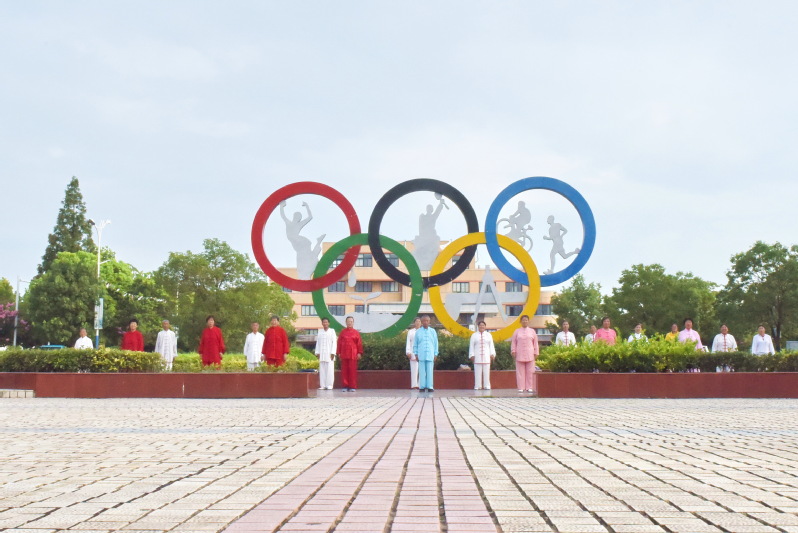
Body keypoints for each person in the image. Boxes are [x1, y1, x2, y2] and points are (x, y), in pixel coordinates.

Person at [510, 314, 538, 393]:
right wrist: (513, 351)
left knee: (530, 371)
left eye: (526, 320)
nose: (525, 321)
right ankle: (521, 387)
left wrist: (536, 352)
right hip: (520, 353)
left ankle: (530, 387)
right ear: (520, 321)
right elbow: (514, 342)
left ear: (528, 321)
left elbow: (535, 343)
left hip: (530, 353)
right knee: (520, 372)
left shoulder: (532, 331)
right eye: (523, 320)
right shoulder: (517, 331)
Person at [337, 316, 363, 392]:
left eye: (351, 321)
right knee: (344, 371)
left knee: (352, 371)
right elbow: (339, 343)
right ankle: (345, 386)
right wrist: (338, 352)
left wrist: (359, 352)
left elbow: (359, 344)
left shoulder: (356, 333)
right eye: (348, 321)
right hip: (344, 353)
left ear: (353, 323)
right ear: (346, 322)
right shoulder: (342, 332)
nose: (350, 323)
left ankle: (352, 386)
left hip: (353, 354)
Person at [413, 315, 439, 392]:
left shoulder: (433, 331)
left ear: (429, 321)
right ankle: (422, 387)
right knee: (421, 371)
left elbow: (436, 343)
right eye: (424, 321)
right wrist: (416, 354)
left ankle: (430, 386)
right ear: (421, 322)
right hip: (421, 354)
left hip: (430, 354)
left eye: (427, 321)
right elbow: (415, 344)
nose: (425, 322)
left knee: (430, 371)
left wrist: (435, 354)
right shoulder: (418, 332)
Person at [469, 320, 495, 390]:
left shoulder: (488, 335)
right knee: (477, 372)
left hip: (486, 356)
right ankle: (477, 386)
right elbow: (471, 346)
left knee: (487, 372)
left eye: (483, 325)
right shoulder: (474, 335)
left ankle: (487, 385)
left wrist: (492, 354)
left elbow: (491, 345)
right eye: (480, 325)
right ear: (478, 326)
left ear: (485, 326)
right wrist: (471, 355)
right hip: (477, 356)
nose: (482, 326)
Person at [314, 317, 337, 390]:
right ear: (322, 323)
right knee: (322, 370)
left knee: (330, 370)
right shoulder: (320, 331)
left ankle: (329, 385)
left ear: (328, 323)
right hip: (322, 353)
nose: (325, 323)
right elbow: (318, 343)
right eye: (323, 322)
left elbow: (334, 342)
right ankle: (323, 385)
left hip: (329, 354)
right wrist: (317, 352)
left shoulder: (332, 331)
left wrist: (333, 353)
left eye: (326, 322)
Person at [406, 317, 421, 389]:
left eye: (419, 321)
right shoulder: (410, 332)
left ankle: (421, 385)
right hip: (413, 352)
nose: (418, 323)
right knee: (414, 369)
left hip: (421, 352)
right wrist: (408, 352)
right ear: (414, 323)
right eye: (416, 321)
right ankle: (414, 385)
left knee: (421, 370)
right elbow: (408, 342)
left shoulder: (423, 331)